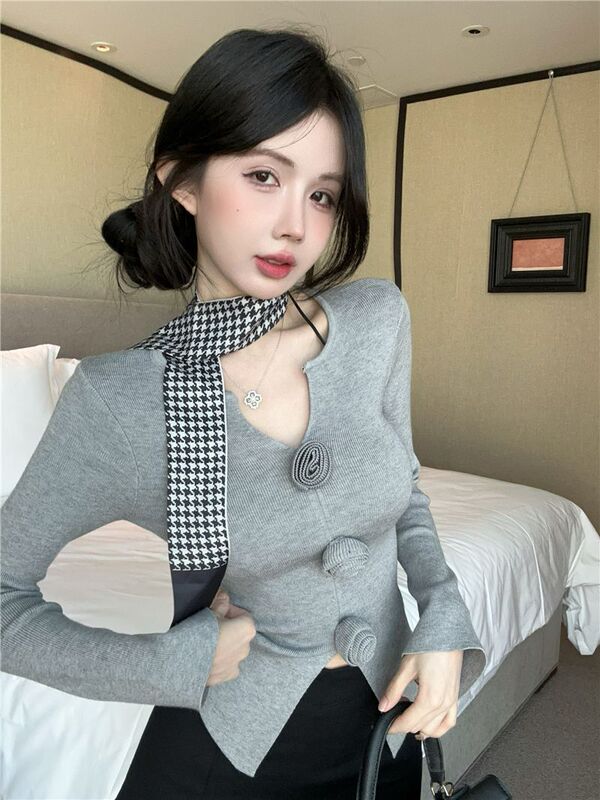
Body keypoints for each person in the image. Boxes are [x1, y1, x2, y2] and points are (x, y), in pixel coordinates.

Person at [1, 25, 486, 799]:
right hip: (231, 755)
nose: (296, 224)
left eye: (322, 194)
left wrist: (444, 614)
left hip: (385, 725)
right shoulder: (122, 400)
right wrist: (172, 663)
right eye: (264, 176)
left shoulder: (377, 320)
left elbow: (406, 491)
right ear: (183, 183)